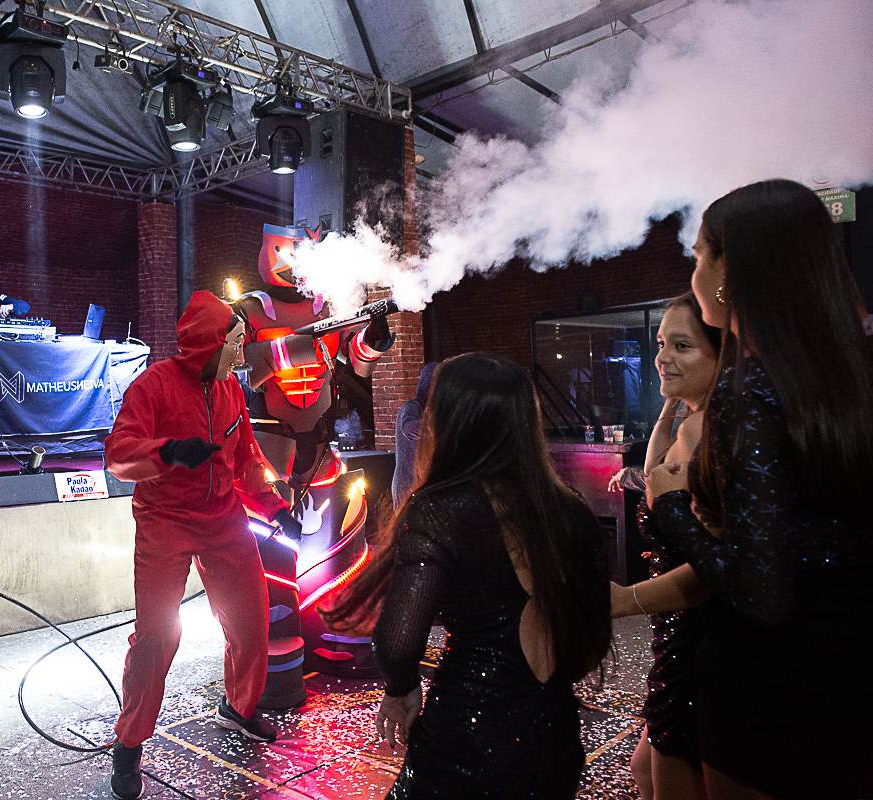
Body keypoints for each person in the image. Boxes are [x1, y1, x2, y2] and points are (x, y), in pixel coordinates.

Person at [648, 179, 873, 800]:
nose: (695, 272)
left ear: (730, 272)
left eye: (699, 256)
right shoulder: (852, 375)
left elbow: (760, 592)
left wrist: (671, 507)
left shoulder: (749, 390)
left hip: (771, 686)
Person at [324, 353, 612, 799]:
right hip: (556, 735)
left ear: (450, 422)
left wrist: (402, 689)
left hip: (464, 740)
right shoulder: (571, 510)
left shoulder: (439, 512)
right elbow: (590, 640)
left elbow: (397, 642)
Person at [103, 290, 301, 800]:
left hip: (222, 518)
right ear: (209, 346)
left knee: (251, 621)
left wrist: (275, 507)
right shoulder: (153, 386)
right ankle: (129, 743)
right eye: (235, 343)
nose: (241, 352)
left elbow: (246, 460)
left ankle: (238, 707)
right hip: (165, 521)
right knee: (156, 637)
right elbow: (118, 456)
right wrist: (167, 451)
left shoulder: (231, 390)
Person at [606, 292, 721, 800]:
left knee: (670, 777)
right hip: (674, 632)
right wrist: (670, 405)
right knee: (647, 770)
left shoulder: (711, 430)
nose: (661, 357)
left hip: (696, 633)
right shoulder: (696, 422)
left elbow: (713, 567)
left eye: (682, 346)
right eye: (659, 344)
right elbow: (655, 473)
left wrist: (623, 599)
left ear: (722, 355)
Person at [391, 362, 438, 510]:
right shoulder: (412, 406)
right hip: (407, 486)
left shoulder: (429, 410)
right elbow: (408, 428)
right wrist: (441, 425)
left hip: (421, 486)